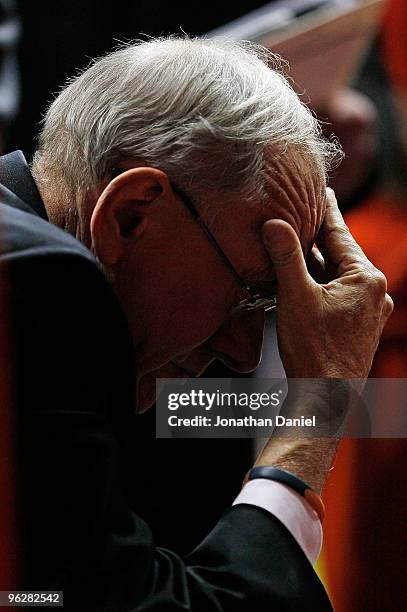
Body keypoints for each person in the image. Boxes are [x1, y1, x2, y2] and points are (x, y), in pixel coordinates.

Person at [0, 37, 392, 610]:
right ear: (130, 216)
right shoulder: (41, 285)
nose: (243, 356)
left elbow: (41, 597)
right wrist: (319, 408)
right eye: (251, 294)